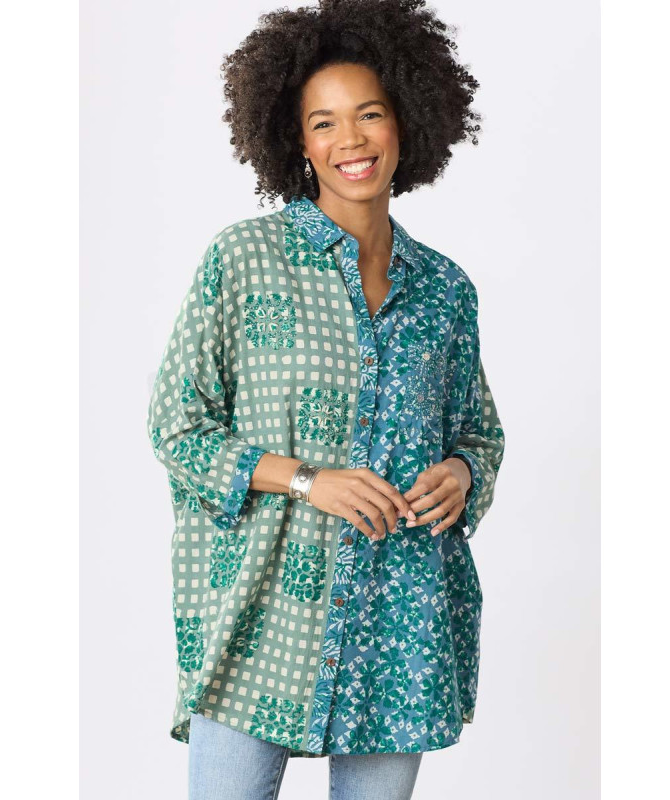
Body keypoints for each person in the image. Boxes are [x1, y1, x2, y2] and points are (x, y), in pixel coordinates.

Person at [146, 1, 506, 798]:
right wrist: (310, 481)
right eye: (324, 122)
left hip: (398, 627)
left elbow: (478, 435)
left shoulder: (445, 291)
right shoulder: (245, 260)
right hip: (261, 623)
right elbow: (178, 424)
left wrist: (461, 474)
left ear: (405, 120)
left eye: (369, 114)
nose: (351, 140)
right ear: (298, 142)